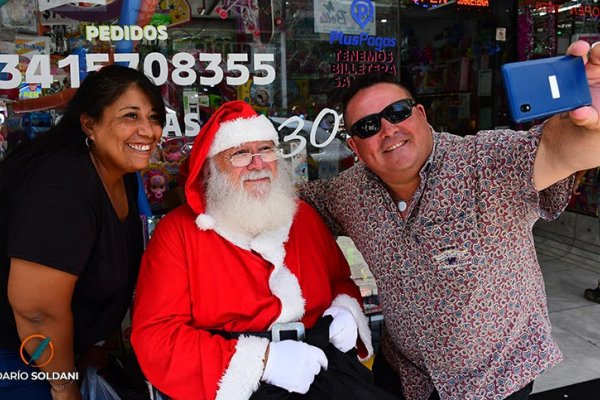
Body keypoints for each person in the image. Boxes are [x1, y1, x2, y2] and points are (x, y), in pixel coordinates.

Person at [299, 40, 600, 400]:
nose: (387, 129)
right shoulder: (349, 193)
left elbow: (556, 149)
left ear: (422, 115)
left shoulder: (483, 162)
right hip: (404, 374)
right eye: (366, 127)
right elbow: (289, 202)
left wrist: (586, 127)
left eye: (397, 111)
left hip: (496, 379)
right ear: (355, 148)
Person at [131, 101, 375, 400]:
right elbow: (157, 338)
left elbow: (340, 279)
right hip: (232, 383)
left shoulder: (303, 216)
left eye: (266, 150)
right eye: (240, 154)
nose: (257, 164)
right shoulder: (178, 233)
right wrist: (264, 361)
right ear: (212, 168)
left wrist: (345, 310)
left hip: (320, 366)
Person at [0, 64, 166, 400]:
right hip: (18, 361)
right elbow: (37, 311)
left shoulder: (120, 172)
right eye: (130, 116)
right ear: (90, 124)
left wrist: (92, 346)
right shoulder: (63, 186)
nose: (147, 130)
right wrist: (63, 386)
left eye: (153, 117)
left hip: (58, 355)